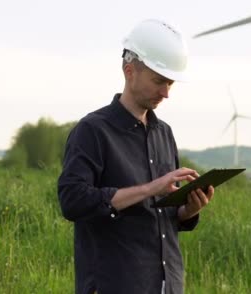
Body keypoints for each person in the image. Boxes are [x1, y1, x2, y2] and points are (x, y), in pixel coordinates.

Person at [58, 19, 213, 294]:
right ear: (130, 71)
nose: (166, 93)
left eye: (170, 83)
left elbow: (160, 217)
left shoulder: (164, 133)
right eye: (158, 81)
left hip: (167, 285)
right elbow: (73, 201)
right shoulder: (92, 131)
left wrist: (188, 211)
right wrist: (150, 188)